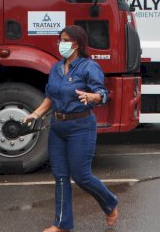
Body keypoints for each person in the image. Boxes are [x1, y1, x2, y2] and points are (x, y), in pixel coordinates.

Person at [24, 25, 119, 232]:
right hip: (58, 126)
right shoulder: (56, 68)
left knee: (81, 175)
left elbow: (102, 93)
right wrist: (36, 114)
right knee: (60, 176)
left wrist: (93, 96)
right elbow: (51, 96)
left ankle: (110, 203)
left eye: (65, 40)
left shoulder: (88, 67)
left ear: (76, 43)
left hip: (81, 126)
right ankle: (62, 224)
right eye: (60, 40)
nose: (61, 44)